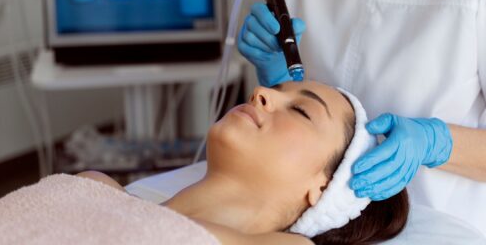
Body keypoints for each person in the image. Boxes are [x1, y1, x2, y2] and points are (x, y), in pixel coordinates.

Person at [237, 0, 486, 236]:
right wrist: (277, 76)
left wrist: (436, 144)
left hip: (442, 228)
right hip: (309, 227)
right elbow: (292, 102)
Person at [79, 81, 409, 244]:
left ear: (323, 187)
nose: (260, 91)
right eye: (276, 88)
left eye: (300, 110)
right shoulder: (94, 189)